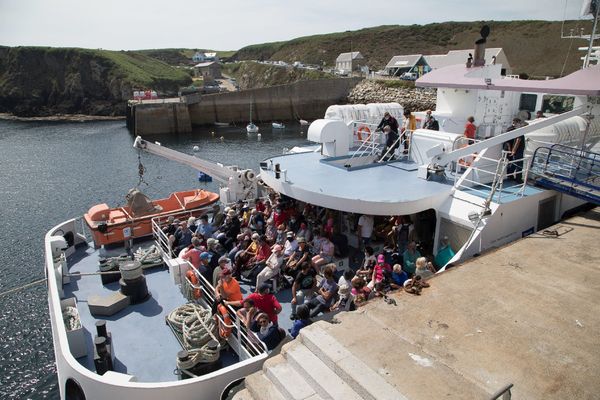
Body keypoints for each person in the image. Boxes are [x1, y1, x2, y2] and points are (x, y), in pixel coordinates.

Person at [505, 117, 527, 183]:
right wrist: (513, 151)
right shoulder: (520, 131)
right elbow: (518, 141)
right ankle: (518, 179)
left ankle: (510, 175)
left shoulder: (517, 130)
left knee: (514, 163)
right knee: (519, 165)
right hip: (518, 151)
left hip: (516, 151)